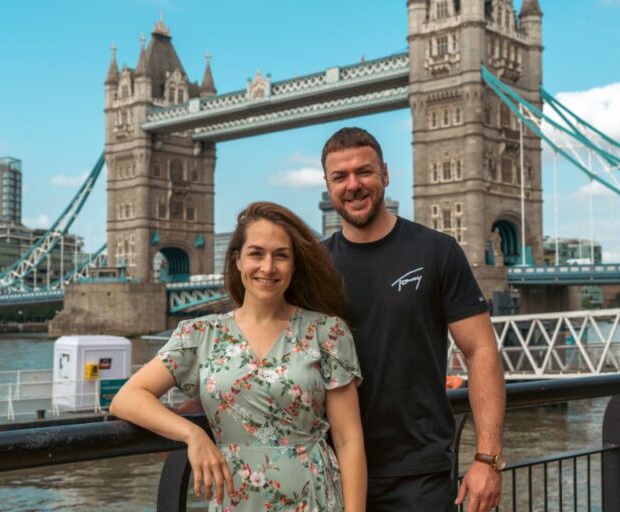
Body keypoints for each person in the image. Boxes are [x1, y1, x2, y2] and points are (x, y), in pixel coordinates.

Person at [111, 202, 366, 512]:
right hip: (235, 500)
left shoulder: (327, 332)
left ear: (294, 265)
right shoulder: (201, 334)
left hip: (314, 498)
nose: (268, 267)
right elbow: (127, 398)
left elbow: (348, 440)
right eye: (256, 253)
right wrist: (193, 435)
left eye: (281, 255)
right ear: (237, 260)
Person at [320, 127, 506, 512]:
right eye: (340, 177)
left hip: (419, 473)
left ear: (385, 175)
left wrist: (487, 458)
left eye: (364, 172)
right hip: (329, 469)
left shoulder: (436, 251)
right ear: (327, 186)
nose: (353, 185)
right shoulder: (313, 267)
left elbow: (480, 349)